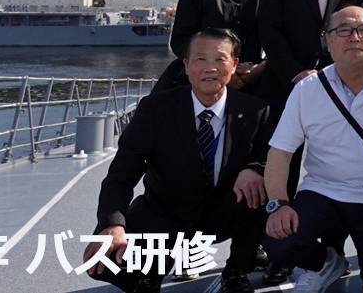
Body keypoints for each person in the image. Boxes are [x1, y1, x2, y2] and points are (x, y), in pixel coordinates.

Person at [88, 29, 273, 293]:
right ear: (185, 65)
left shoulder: (256, 111)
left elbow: (268, 158)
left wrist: (254, 169)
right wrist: (112, 224)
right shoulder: (155, 109)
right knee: (104, 262)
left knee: (258, 191)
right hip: (166, 213)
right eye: (200, 59)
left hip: (224, 211)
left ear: (234, 64)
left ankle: (238, 269)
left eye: (220, 59)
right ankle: (147, 275)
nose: (210, 68)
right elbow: (121, 174)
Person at [262, 7, 363, 293]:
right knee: (278, 239)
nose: (354, 37)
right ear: (328, 40)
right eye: (343, 30)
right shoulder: (307, 89)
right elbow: (280, 152)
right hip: (323, 192)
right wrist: (279, 204)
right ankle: (324, 263)